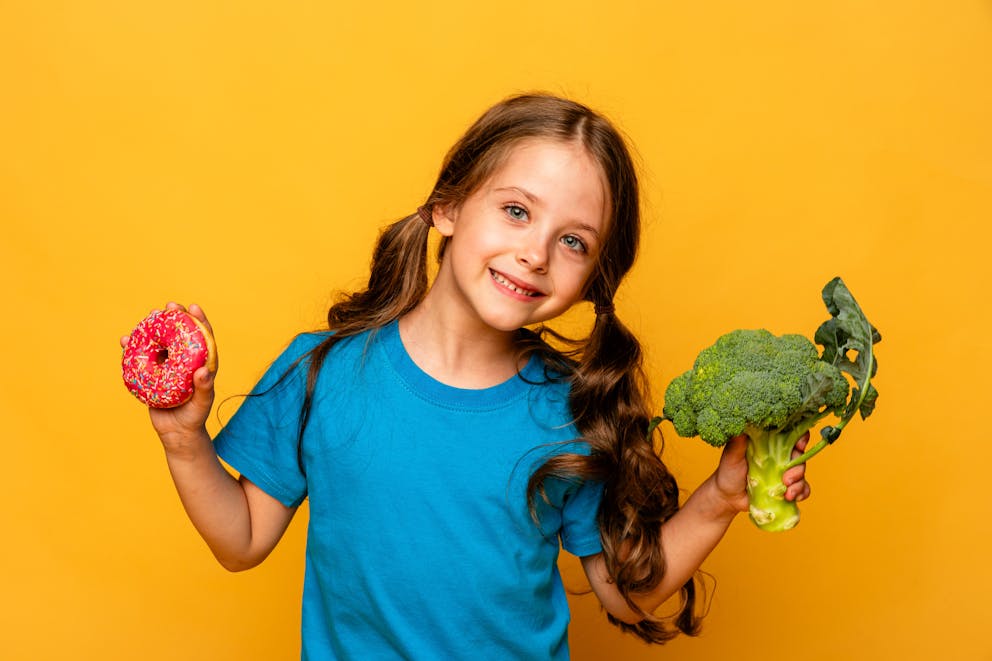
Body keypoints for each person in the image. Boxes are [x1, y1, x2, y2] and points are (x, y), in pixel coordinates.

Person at [124, 93, 810, 660]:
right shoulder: (321, 371)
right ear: (447, 206)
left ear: (592, 274)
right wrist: (185, 439)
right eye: (516, 210)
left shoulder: (568, 410)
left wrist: (722, 494)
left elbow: (626, 592)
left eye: (573, 241)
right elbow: (241, 539)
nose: (535, 253)